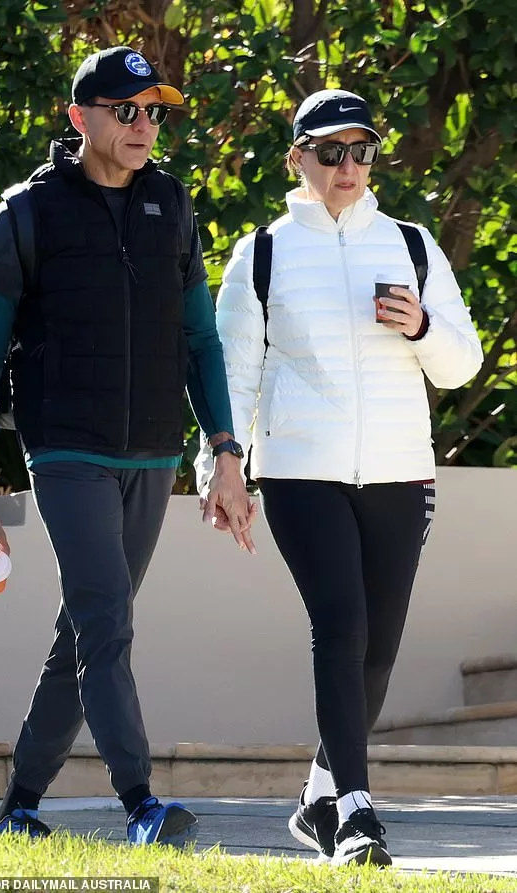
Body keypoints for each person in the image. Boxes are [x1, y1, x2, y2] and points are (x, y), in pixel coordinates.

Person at [0, 45, 255, 847]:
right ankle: (141, 804)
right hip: (66, 451)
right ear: (79, 116)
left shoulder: (174, 207)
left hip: (153, 455)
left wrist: (226, 451)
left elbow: (200, 342)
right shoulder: (26, 213)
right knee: (107, 622)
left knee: (87, 628)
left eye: (154, 111)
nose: (144, 125)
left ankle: (17, 803)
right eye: (127, 110)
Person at [195, 89, 483, 866]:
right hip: (299, 469)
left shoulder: (414, 245)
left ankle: (320, 789)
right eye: (331, 151)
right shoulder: (262, 252)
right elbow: (232, 374)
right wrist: (221, 466)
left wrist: (420, 324)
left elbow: (463, 364)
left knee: (379, 650)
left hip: (399, 473)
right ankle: (357, 811)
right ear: (298, 158)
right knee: (342, 624)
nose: (348, 166)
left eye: (361, 152)